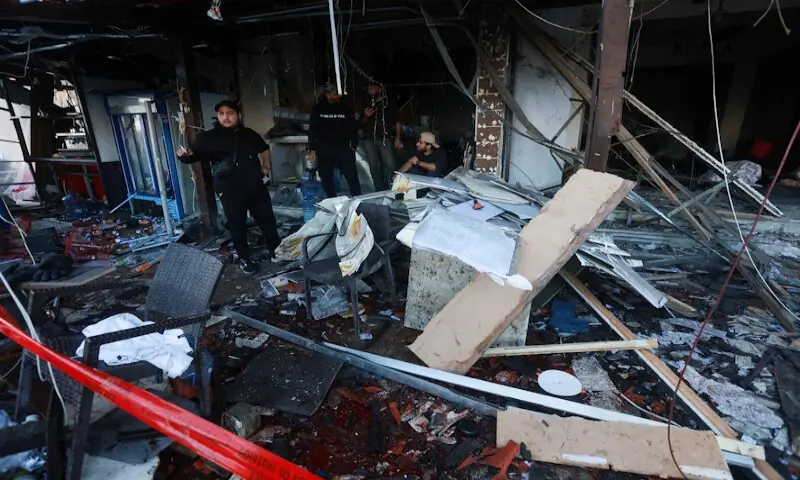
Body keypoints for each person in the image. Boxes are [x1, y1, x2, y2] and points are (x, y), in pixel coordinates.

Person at [177, 100, 280, 275]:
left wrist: (266, 167)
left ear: (238, 115)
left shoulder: (249, 134)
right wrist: (184, 156)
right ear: (218, 116)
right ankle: (244, 258)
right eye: (222, 114)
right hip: (229, 187)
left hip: (255, 184)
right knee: (236, 223)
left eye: (230, 113)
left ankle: (277, 252)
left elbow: (264, 149)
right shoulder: (209, 138)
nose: (226, 117)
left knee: (267, 219)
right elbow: (192, 156)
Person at [308, 86, 361, 198]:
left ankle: (358, 199)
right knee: (325, 176)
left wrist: (354, 144)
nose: (338, 97)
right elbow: (313, 129)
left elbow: (353, 127)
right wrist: (312, 149)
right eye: (335, 94)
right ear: (328, 95)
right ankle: (332, 199)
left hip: (343, 148)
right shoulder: (318, 109)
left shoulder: (346, 109)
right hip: (324, 148)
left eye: (339, 94)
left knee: (351, 175)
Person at [361, 82, 402, 190]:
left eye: (372, 89)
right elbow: (361, 123)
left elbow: (397, 121)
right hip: (369, 139)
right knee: (374, 167)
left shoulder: (389, 103)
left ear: (379, 89)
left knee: (390, 166)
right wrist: (366, 116)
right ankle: (379, 190)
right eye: (369, 89)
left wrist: (398, 138)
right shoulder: (367, 103)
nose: (370, 91)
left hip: (384, 139)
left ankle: (393, 190)